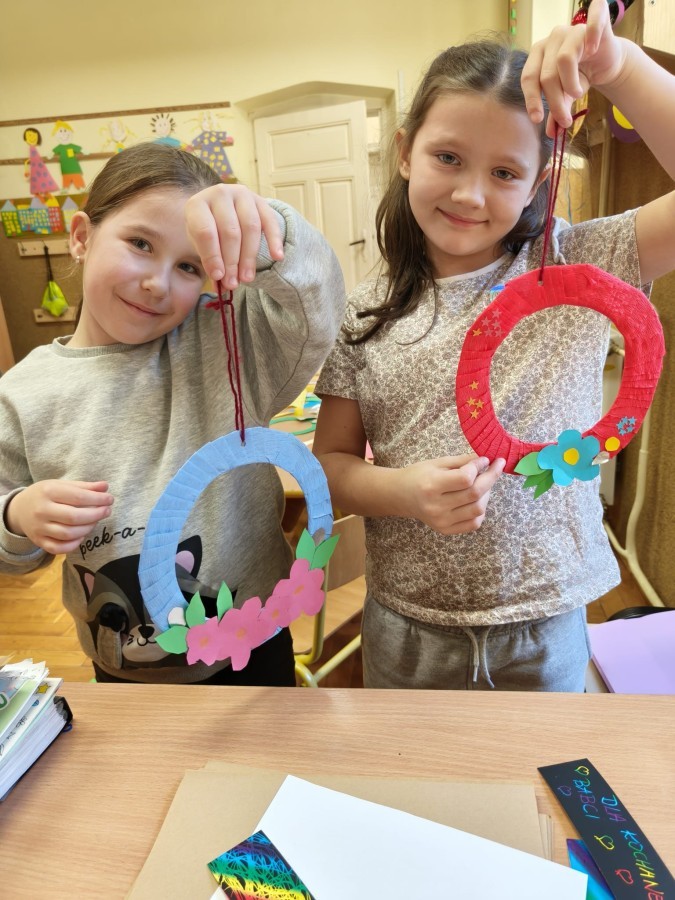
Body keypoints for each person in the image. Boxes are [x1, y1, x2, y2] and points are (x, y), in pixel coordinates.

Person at [313, 0, 675, 691]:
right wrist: (401, 491)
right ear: (404, 152)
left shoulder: (578, 266)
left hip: (545, 622)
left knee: (541, 763)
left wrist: (620, 67)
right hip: (408, 628)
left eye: (504, 173)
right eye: (447, 157)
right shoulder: (364, 309)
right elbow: (329, 467)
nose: (470, 195)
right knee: (413, 764)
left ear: (538, 180)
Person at [0, 142, 345, 685]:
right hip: (119, 665)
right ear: (81, 236)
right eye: (140, 244)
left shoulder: (229, 342)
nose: (157, 283)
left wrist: (265, 229)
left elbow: (317, 308)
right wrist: (17, 514)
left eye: (188, 266)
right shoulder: (21, 395)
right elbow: (10, 554)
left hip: (253, 650)